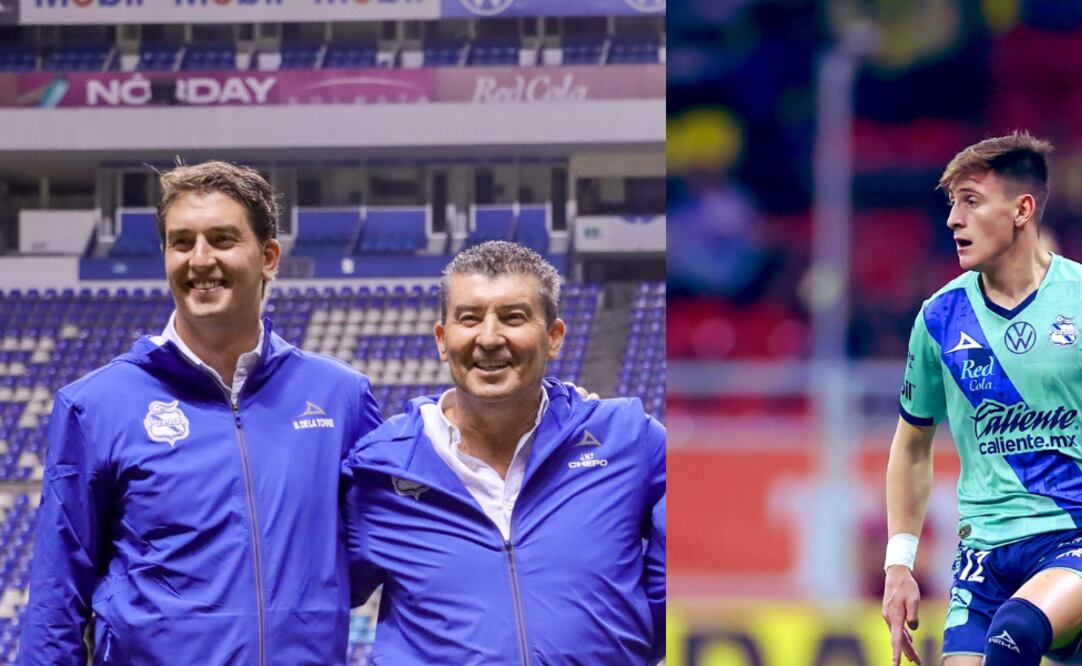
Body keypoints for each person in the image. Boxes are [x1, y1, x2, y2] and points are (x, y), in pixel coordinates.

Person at [20, 161, 382, 664]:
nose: (200, 259)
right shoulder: (95, 405)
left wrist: (304, 604)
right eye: (181, 242)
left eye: (222, 239)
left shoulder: (340, 395)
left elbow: (374, 549)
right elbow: (57, 599)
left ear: (269, 256)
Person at [879, 131, 1082, 666]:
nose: (952, 220)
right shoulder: (938, 319)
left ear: (1022, 210)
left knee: (1015, 631)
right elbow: (911, 446)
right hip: (983, 553)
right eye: (951, 204)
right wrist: (899, 565)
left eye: (971, 202)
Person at [342, 240, 666, 663]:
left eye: (513, 318)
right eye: (469, 318)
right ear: (442, 340)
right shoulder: (378, 468)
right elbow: (318, 594)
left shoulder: (627, 439)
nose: (490, 337)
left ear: (554, 337)